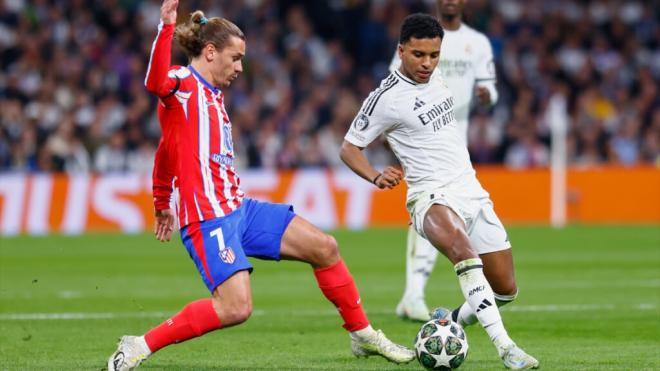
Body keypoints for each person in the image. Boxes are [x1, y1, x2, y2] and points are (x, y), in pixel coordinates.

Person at [106, 1, 415, 370]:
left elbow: (166, 148)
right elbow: (155, 83)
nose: (239, 68)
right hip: (208, 218)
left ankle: (362, 334)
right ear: (210, 52)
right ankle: (140, 344)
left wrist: (160, 200)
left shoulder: (214, 97)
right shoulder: (183, 86)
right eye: (235, 58)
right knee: (236, 308)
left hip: (238, 209)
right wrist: (166, 27)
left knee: (325, 247)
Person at [340, 14, 539, 370]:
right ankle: (507, 348)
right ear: (401, 51)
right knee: (465, 253)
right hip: (429, 196)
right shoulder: (385, 97)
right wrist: (373, 176)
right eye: (418, 55)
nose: (427, 63)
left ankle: (448, 322)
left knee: (505, 290)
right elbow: (349, 148)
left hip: (471, 189)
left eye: (433, 55)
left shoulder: (438, 75)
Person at [389, 0, 500, 322]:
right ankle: (413, 294)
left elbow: (490, 90)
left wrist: (486, 97)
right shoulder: (419, 37)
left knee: (449, 218)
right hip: (422, 141)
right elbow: (394, 84)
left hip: (456, 140)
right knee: (431, 211)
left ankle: (414, 295)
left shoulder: (477, 44)